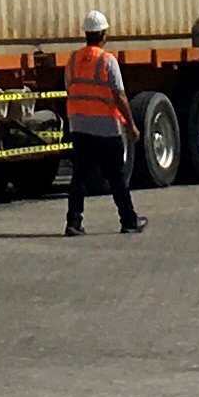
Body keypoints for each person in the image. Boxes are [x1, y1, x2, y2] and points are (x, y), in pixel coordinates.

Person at [64, 12, 144, 236]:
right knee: (117, 178)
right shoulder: (108, 61)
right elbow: (120, 96)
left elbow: (71, 89)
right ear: (103, 35)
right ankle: (128, 220)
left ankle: (73, 222)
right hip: (106, 130)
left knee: (79, 178)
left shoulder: (72, 60)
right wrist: (131, 125)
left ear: (86, 34)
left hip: (80, 128)